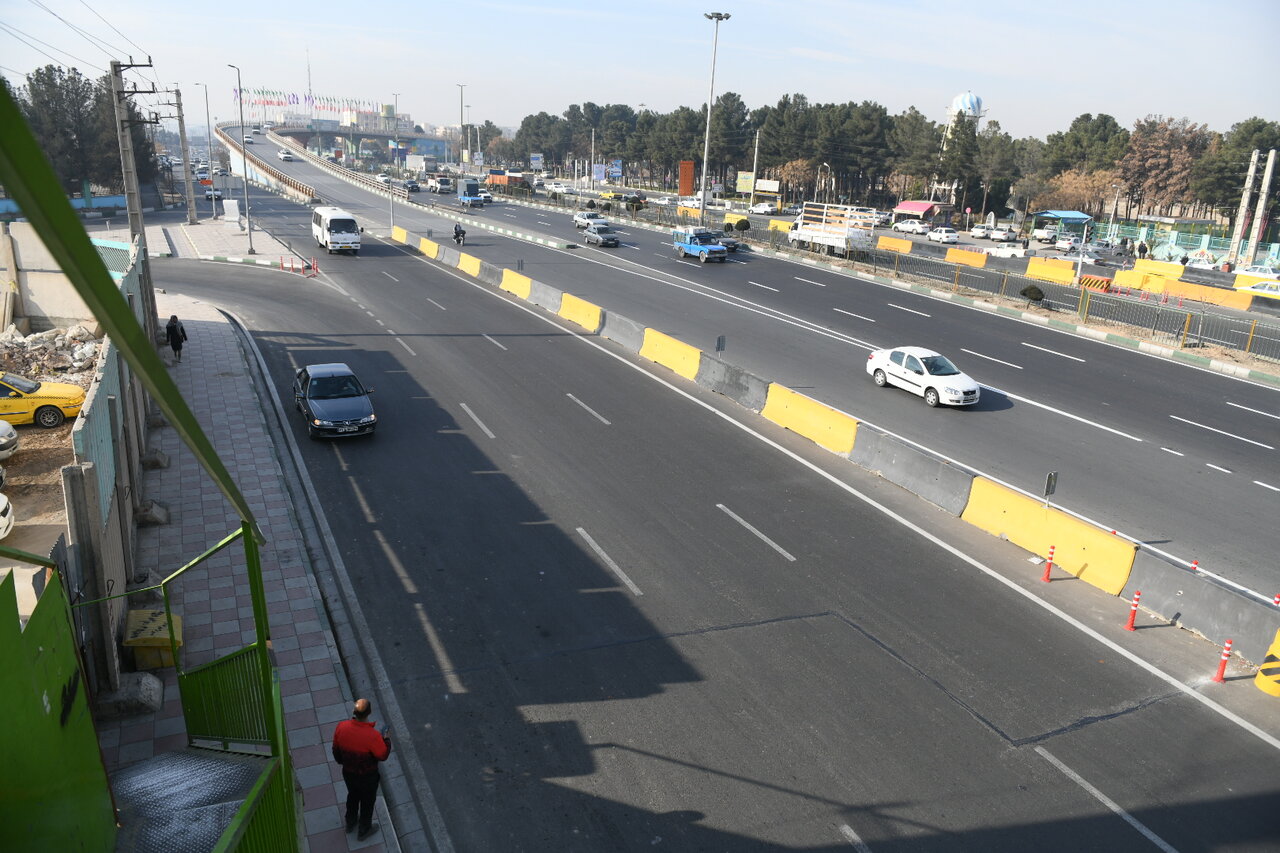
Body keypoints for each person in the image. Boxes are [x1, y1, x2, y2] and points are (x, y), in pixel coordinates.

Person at [332, 698, 392, 840]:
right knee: (367, 801)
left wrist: (343, 762)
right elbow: (382, 755)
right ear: (369, 713)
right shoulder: (373, 736)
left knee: (352, 795)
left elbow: (335, 749)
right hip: (367, 777)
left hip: (348, 773)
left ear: (354, 711)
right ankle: (364, 829)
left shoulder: (341, 727)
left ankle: (350, 821)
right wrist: (387, 740)